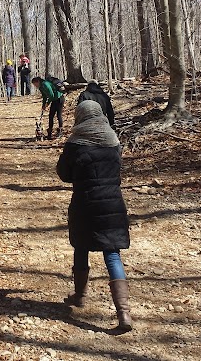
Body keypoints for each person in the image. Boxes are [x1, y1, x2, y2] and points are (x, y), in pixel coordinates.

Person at [56, 100, 132, 331]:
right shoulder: (113, 140)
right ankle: (124, 313)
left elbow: (64, 174)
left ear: (80, 116)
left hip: (84, 203)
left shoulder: (75, 143)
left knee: (81, 246)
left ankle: (79, 295)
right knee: (112, 254)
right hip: (113, 204)